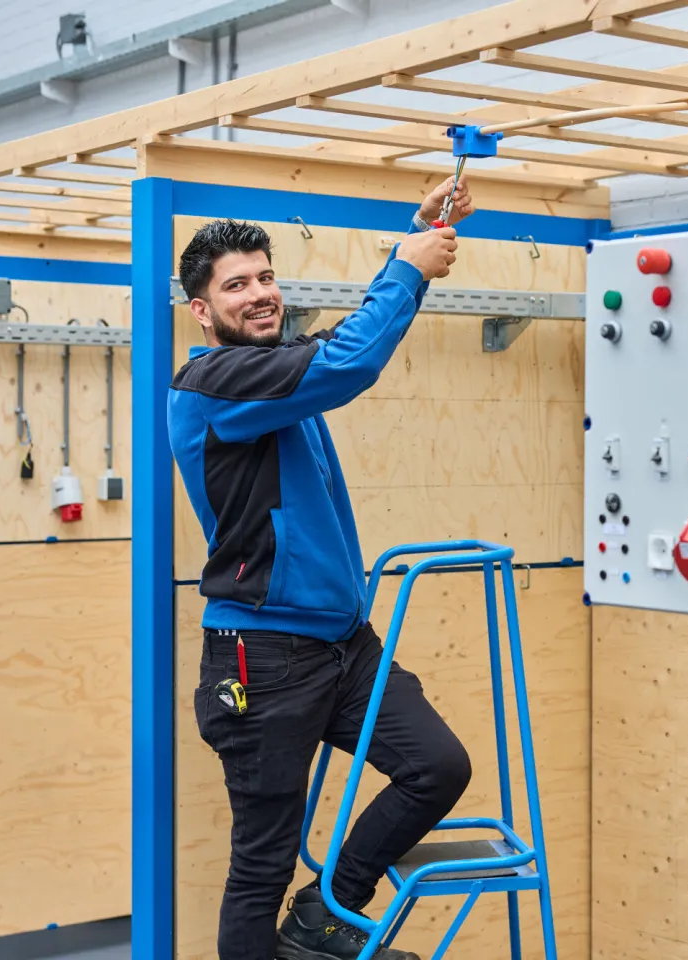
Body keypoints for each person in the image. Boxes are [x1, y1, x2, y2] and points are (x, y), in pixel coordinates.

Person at [167, 177, 477, 960]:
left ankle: (326, 908)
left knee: (436, 767)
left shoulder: (272, 373)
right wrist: (406, 267)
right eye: (236, 285)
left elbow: (333, 352)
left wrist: (413, 242)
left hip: (345, 646)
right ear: (201, 310)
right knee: (258, 865)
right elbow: (347, 364)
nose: (260, 295)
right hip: (263, 659)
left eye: (266, 277)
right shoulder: (211, 385)